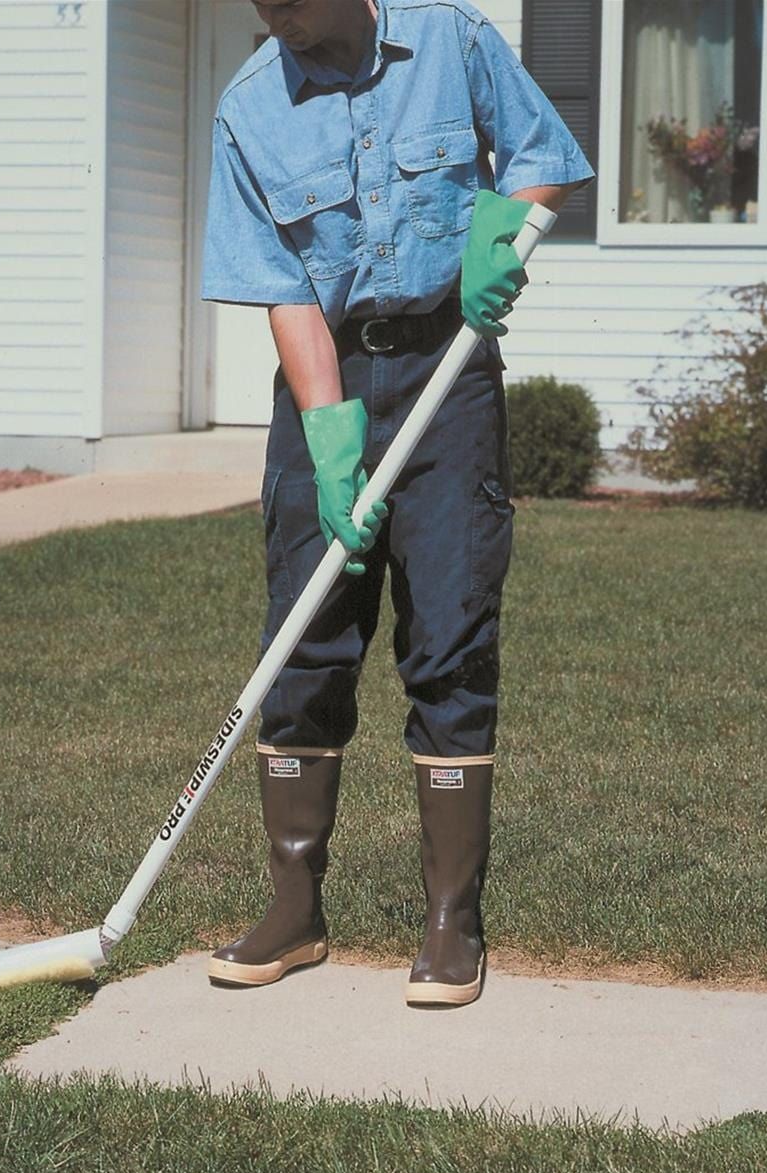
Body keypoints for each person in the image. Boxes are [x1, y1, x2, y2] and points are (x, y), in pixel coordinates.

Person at [200, 0, 593, 1007]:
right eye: (262, 1)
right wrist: (331, 442)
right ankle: (294, 913)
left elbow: (544, 155)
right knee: (305, 636)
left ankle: (452, 924)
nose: (278, 15)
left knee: (451, 635)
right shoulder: (249, 108)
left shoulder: (452, 42)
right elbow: (287, 290)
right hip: (327, 380)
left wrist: (500, 236)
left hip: (446, 372)